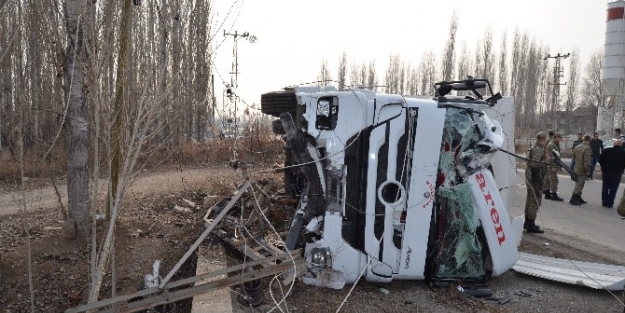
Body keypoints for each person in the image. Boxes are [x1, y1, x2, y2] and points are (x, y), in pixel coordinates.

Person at [524, 131, 550, 234]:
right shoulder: (538, 150)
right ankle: (531, 224)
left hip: (532, 177)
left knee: (530, 199)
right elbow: (535, 164)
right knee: (535, 200)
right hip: (536, 179)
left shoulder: (534, 148)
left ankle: (527, 222)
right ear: (543, 139)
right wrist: (546, 161)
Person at [598, 139, 625, 208]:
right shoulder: (623, 153)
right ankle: (610, 203)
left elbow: (600, 159)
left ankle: (604, 202)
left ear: (614, 143)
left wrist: (603, 166)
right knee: (613, 188)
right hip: (617, 173)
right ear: (621, 145)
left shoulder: (606, 150)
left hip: (606, 171)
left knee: (605, 187)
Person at [570, 135, 592, 205]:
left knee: (579, 183)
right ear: (589, 140)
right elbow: (587, 162)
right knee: (580, 184)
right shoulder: (587, 148)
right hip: (582, 169)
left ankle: (578, 197)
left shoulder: (577, 147)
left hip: (577, 167)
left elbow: (573, 157)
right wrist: (588, 171)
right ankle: (574, 198)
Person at [545, 133, 564, 201]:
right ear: (555, 137)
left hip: (553, 164)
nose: (560, 139)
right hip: (551, 165)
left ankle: (547, 193)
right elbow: (551, 157)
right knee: (554, 180)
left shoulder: (555, 144)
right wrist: (552, 166)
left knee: (548, 180)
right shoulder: (551, 145)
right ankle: (554, 195)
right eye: (559, 138)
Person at [542, 130, 556, 198]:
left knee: (545, 175)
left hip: (544, 157)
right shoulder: (551, 141)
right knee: (547, 175)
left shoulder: (546, 139)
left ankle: (545, 189)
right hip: (547, 157)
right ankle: (546, 189)